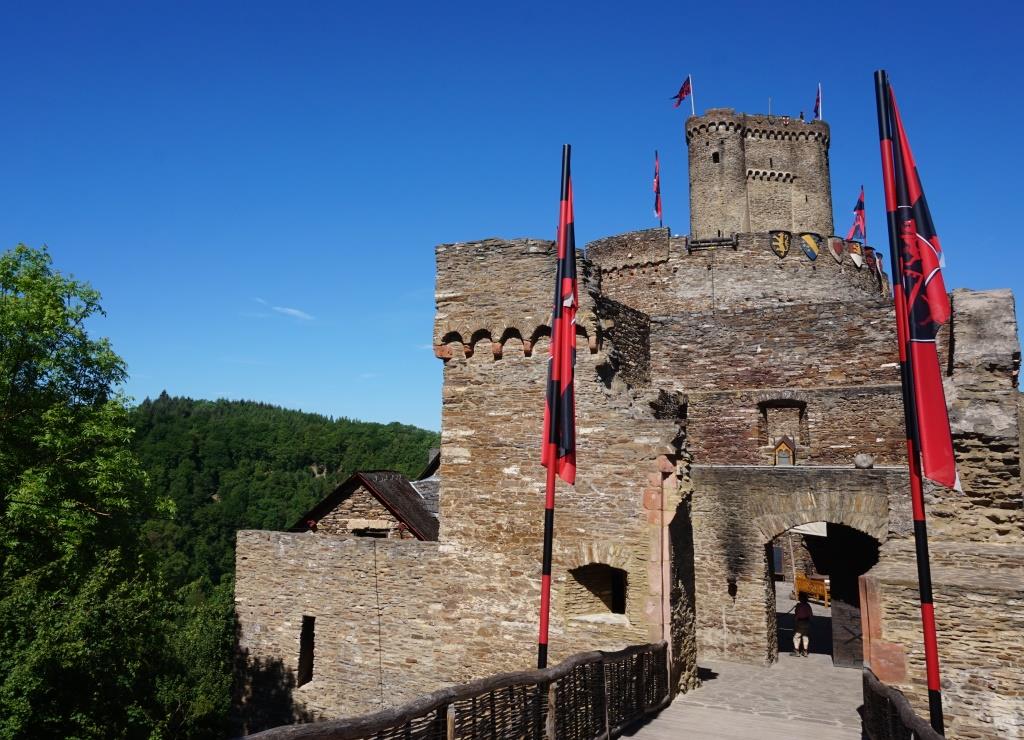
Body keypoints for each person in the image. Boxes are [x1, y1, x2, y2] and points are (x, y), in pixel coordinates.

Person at [793, 592, 813, 656]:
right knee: (805, 636)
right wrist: (810, 621)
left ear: (801, 598)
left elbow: (797, 614)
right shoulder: (808, 605)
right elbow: (811, 615)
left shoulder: (799, 606)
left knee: (797, 636)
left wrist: (795, 620)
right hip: (807, 622)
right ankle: (805, 651)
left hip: (800, 622)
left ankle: (796, 651)